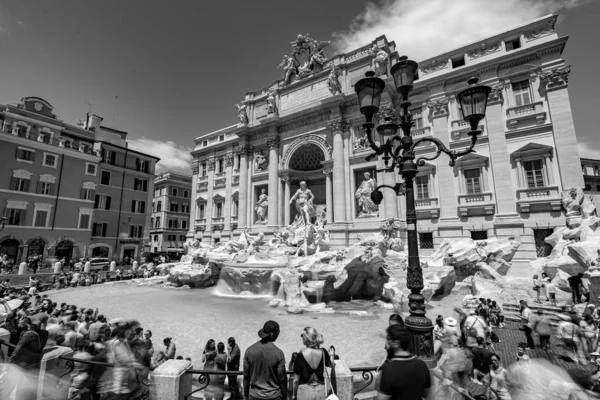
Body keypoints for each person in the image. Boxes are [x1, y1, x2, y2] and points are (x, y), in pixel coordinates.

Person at [376, 324, 431, 400]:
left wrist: (378, 383)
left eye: (388, 340)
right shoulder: (422, 365)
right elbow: (426, 393)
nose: (386, 345)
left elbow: (381, 399)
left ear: (396, 343)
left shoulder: (388, 369)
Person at [243, 321, 287, 400]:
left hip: (254, 396)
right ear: (272, 334)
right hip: (274, 396)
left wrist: (246, 395)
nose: (279, 334)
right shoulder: (278, 353)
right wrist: (285, 396)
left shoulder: (249, 351)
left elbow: (246, 376)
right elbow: (282, 379)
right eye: (278, 332)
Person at [292, 327, 332, 400]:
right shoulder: (323, 352)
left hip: (304, 392)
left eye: (302, 336)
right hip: (321, 391)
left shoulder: (300, 356)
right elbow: (331, 367)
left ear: (306, 339)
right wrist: (332, 355)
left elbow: (296, 380)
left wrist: (294, 395)